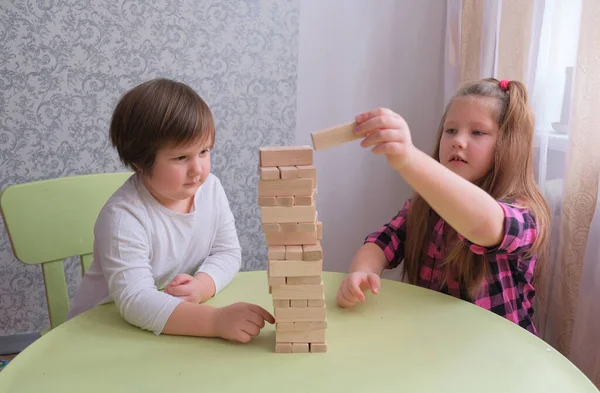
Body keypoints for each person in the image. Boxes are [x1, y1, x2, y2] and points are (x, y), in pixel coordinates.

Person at [336, 78, 550, 335]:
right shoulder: (423, 207)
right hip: (436, 342)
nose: (458, 141)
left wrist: (409, 158)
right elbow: (383, 242)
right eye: (450, 130)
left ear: (509, 144)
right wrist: (361, 273)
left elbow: (484, 225)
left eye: (477, 132)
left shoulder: (525, 212)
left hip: (500, 354)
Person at [67, 78, 274, 342]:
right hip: (100, 332)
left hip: (162, 329)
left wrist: (202, 286)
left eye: (204, 151)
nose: (198, 169)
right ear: (141, 161)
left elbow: (227, 251)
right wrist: (215, 321)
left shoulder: (210, 189)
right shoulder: (122, 217)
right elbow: (136, 300)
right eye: (181, 158)